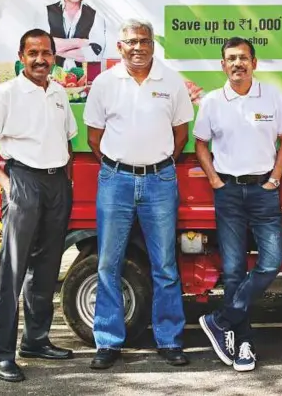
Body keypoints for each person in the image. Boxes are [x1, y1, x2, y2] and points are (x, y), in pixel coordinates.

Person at [83, 19, 194, 370]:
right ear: (120, 47)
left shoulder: (171, 82)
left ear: (153, 44)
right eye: (130, 41)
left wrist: (156, 165)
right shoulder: (104, 83)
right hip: (115, 181)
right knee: (107, 263)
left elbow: (181, 135)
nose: (138, 47)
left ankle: (170, 339)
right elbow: (93, 138)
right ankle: (108, 341)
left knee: (164, 265)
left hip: (160, 181)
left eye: (144, 40)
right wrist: (123, 167)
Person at [0, 29, 77, 383]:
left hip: (56, 184)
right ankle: (1, 354)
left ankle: (35, 340)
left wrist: (67, 182)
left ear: (53, 57)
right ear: (21, 55)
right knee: (12, 271)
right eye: (32, 52)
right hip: (23, 180)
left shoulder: (59, 92)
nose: (40, 59)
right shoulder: (7, 93)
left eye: (46, 53)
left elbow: (67, 140)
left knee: (47, 267)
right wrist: (6, 184)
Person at [194, 37, 282, 372]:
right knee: (234, 270)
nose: (237, 63)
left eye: (243, 58)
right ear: (223, 64)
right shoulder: (212, 101)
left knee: (271, 262)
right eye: (230, 58)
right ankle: (244, 345)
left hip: (263, 190)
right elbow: (200, 144)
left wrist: (275, 179)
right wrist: (214, 180)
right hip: (228, 193)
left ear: (254, 62)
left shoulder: (272, 95)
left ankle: (220, 319)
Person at [38, 0, 106, 72]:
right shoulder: (45, 12)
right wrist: (80, 42)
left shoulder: (96, 16)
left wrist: (54, 48)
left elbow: (96, 54)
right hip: (49, 79)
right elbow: (40, 46)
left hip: (83, 81)